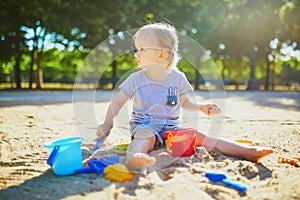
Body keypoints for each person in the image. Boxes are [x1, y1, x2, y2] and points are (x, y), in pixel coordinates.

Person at [95, 22, 273, 171]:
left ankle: (246, 151)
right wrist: (108, 123)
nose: (137, 54)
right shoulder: (136, 79)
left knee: (199, 136)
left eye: (141, 49)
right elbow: (117, 102)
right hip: (145, 125)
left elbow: (185, 102)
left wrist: (201, 108)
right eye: (137, 49)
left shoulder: (178, 78)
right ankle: (135, 159)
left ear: (162, 54)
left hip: (172, 128)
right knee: (144, 137)